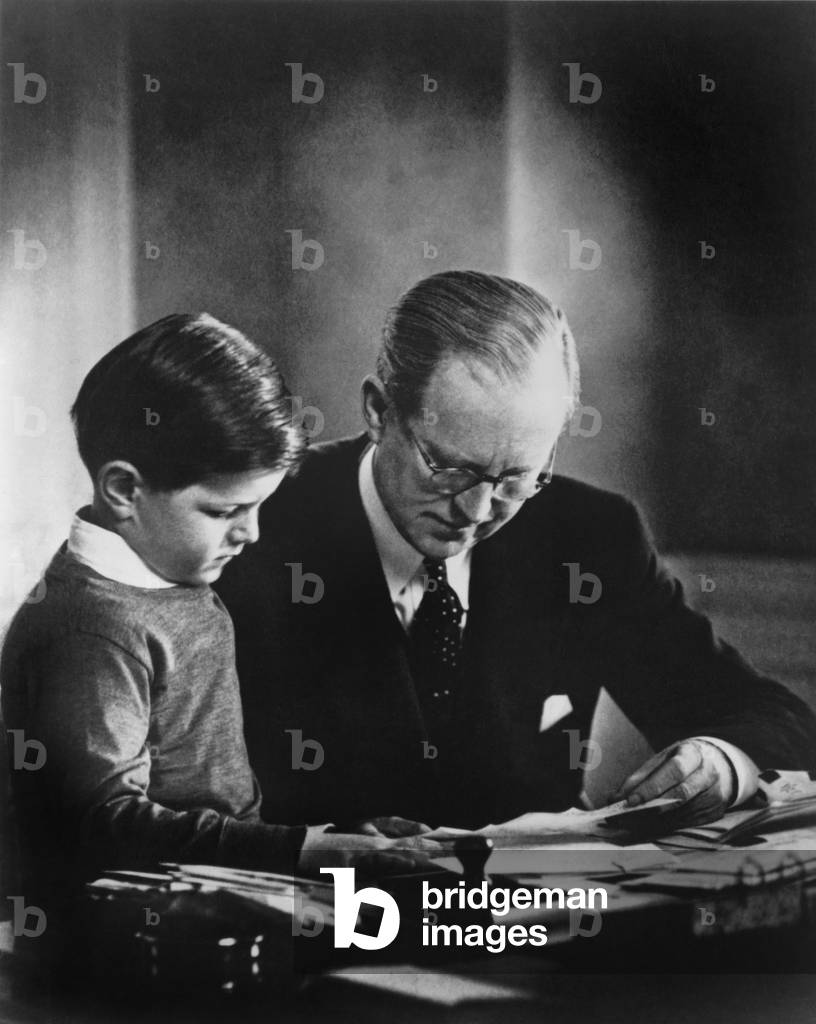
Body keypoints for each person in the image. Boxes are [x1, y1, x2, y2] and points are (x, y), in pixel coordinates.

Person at [215, 272, 816, 832]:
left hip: (534, 904)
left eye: (517, 478)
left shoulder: (589, 536)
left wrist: (721, 759)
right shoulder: (252, 528)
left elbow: (775, 717)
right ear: (379, 410)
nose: (477, 511)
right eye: (448, 467)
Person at [0, 313, 435, 915]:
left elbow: (217, 804)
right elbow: (102, 827)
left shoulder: (170, 579)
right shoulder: (91, 629)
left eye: (257, 507)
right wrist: (301, 850)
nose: (250, 533)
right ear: (123, 490)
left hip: (215, 898)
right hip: (128, 933)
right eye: (224, 511)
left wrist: (332, 836)